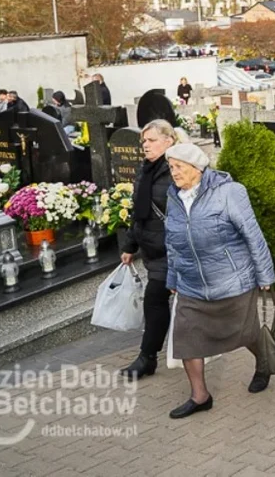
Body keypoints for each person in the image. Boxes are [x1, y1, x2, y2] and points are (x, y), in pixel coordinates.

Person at [162, 143, 275, 419]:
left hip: (231, 279)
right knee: (185, 336)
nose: (173, 173)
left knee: (246, 332)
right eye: (171, 167)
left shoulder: (229, 192)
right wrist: (173, 276)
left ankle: (264, 361)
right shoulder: (173, 197)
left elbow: (253, 234)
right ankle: (200, 396)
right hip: (191, 283)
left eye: (178, 167)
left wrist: (265, 275)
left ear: (196, 168)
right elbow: (172, 241)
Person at [118, 120, 178, 380]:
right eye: (144, 141)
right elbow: (139, 212)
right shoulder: (146, 169)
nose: (145, 146)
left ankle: (147, 357)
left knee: (155, 299)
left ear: (169, 141)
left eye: (151, 140)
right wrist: (131, 245)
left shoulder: (176, 169)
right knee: (156, 301)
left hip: (172, 250)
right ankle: (149, 357)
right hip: (152, 249)